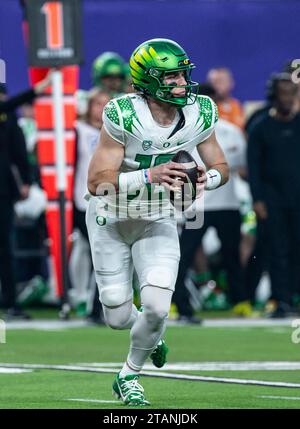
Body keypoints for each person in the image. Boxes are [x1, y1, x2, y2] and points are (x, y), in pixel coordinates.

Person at [86, 38, 229, 405]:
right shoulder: (123, 114)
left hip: (158, 217)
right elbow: (97, 183)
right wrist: (149, 176)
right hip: (111, 216)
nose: (182, 83)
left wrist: (203, 179)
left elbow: (220, 168)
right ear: (148, 81)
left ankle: (129, 375)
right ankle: (150, 335)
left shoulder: (200, 112)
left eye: (183, 74)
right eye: (171, 77)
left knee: (157, 307)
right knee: (117, 315)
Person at [173, 84, 249, 319]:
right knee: (183, 255)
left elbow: (241, 169)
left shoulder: (231, 131)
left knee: (232, 254)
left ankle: (241, 301)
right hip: (197, 205)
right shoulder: (182, 132)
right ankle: (177, 303)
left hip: (228, 204)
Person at [247, 72, 300, 317]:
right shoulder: (260, 128)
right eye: (283, 94)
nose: (288, 99)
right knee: (277, 250)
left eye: (292, 94)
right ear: (273, 97)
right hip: (273, 200)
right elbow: (254, 168)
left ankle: (294, 297)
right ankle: (281, 300)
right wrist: (257, 199)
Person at [0, 74, 51, 319]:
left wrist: (25, 181)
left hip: (3, 192)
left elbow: (19, 151)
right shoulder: (8, 111)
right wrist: (35, 90)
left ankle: (10, 303)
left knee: (5, 248)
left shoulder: (9, 119)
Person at [70, 89, 111, 321]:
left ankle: (96, 305)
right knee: (91, 250)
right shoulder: (78, 130)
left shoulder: (114, 132)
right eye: (97, 104)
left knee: (100, 253)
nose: (101, 109)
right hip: (82, 199)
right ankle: (85, 300)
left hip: (108, 200)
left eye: (106, 104)